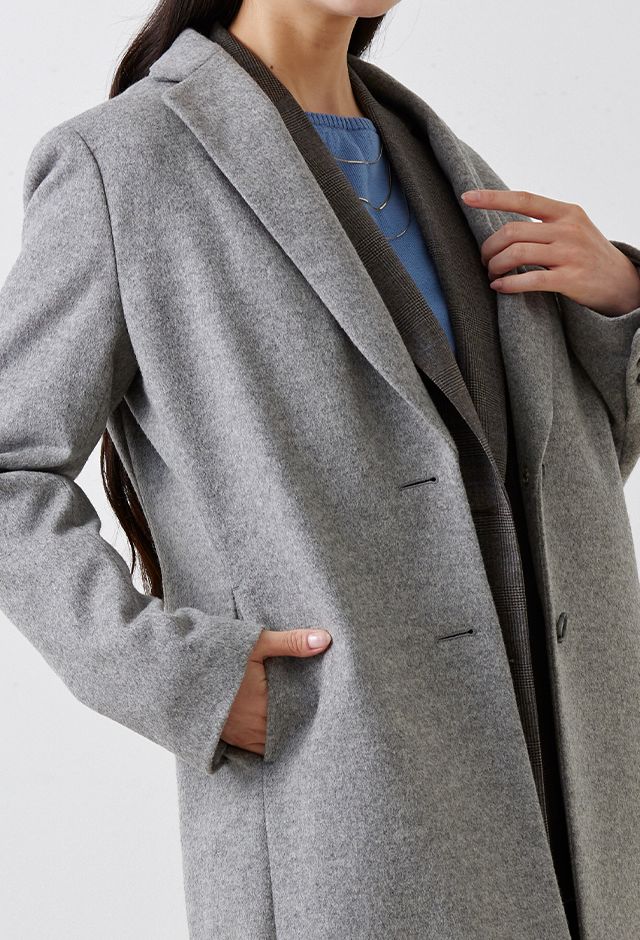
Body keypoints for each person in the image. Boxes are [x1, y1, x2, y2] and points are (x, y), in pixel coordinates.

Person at [3, 2, 640, 937]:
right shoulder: (126, 163)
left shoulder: (454, 173)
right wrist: (181, 679)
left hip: (580, 816)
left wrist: (622, 306)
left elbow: (537, 490)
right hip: (347, 810)